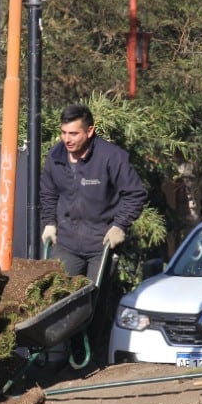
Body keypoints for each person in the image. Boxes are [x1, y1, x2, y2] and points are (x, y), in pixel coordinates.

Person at [39, 103, 148, 282]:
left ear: (89, 131)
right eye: (64, 132)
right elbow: (48, 193)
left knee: (95, 301)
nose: (67, 139)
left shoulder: (111, 157)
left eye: (73, 134)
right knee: (61, 297)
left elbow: (135, 194)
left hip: (102, 243)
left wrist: (120, 225)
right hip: (66, 243)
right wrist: (49, 223)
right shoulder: (56, 156)